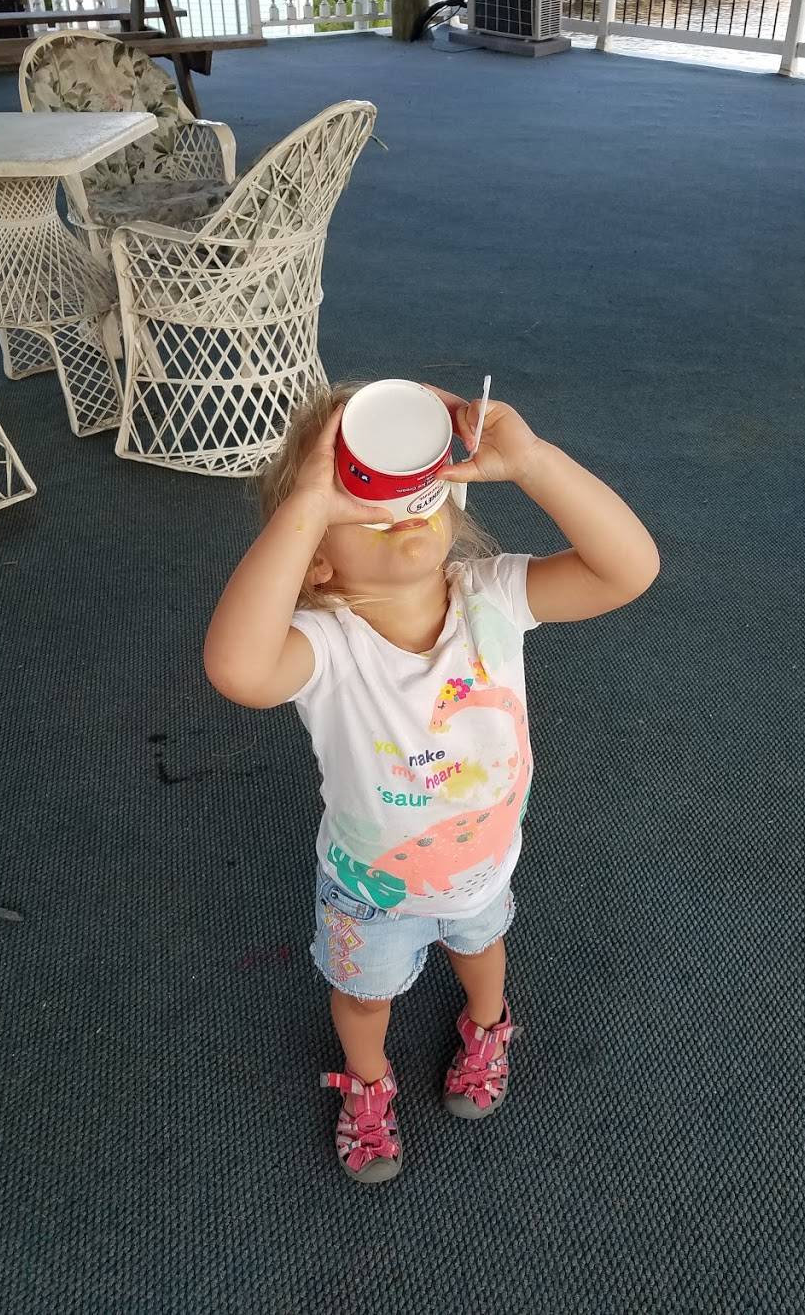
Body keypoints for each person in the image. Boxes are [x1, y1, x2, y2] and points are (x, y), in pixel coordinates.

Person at [204, 382, 660, 1184]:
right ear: (315, 558)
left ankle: (489, 1022)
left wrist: (533, 462)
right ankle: (368, 1078)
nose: (395, 509)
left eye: (410, 491)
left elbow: (630, 570)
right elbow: (237, 669)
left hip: (482, 865)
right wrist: (308, 502)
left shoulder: (493, 596)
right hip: (369, 890)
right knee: (363, 998)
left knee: (482, 949)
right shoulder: (326, 643)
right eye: (360, 502)